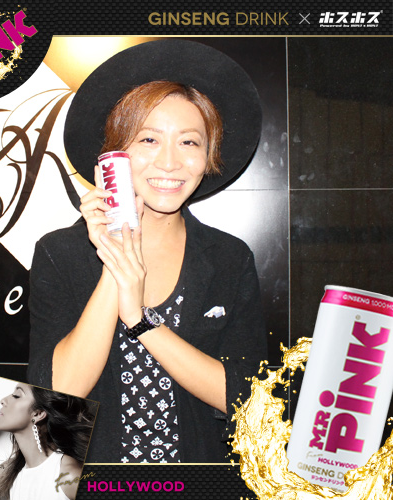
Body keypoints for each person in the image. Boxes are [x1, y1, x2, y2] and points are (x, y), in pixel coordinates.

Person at [28, 39, 268, 463]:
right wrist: (115, 258)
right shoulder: (59, 253)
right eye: (149, 139)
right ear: (116, 156)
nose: (170, 163)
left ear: (208, 156)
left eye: (189, 143)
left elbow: (246, 396)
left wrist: (141, 322)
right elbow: (59, 395)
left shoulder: (229, 258)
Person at [0, 384, 97, 500]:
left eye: (17, 395)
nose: (3, 400)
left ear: (38, 414)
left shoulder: (68, 474)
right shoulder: (13, 470)